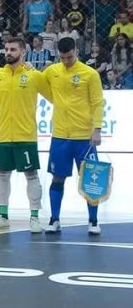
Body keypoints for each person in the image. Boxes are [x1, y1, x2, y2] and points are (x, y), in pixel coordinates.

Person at [0, 37, 53, 233]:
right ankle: (2, 217)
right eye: (7, 49)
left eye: (13, 49)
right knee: (2, 175)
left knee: (31, 176)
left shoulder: (34, 76)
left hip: (26, 136)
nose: (8, 52)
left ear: (23, 52)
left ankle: (34, 218)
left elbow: (54, 97)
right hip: (2, 136)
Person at [42, 37, 105, 234]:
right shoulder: (52, 71)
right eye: (62, 58)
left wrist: (97, 129)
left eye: (69, 57)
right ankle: (54, 219)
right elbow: (38, 83)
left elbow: (97, 103)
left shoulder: (90, 74)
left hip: (84, 138)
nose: (66, 61)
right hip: (60, 136)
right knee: (57, 178)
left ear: (76, 51)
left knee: (91, 180)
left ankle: (93, 221)